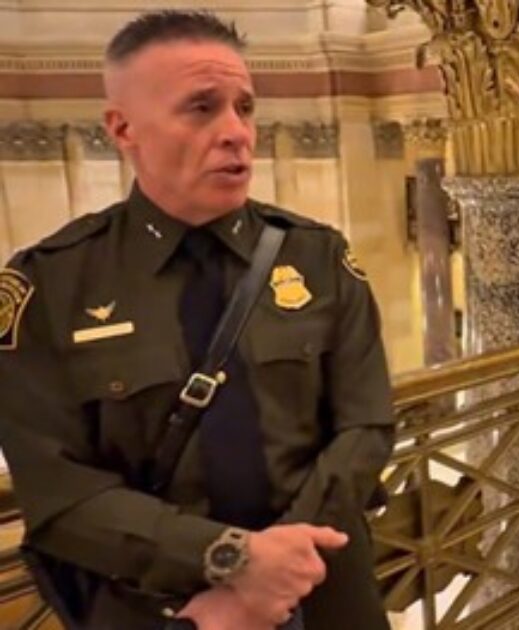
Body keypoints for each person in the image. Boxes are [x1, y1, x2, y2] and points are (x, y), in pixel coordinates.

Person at [0, 11, 394, 630]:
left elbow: (365, 426)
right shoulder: (49, 284)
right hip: (161, 608)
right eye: (202, 108)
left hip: (321, 590)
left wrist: (274, 569)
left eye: (245, 107)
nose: (236, 131)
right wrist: (230, 560)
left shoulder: (315, 255)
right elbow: (60, 490)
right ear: (123, 127)